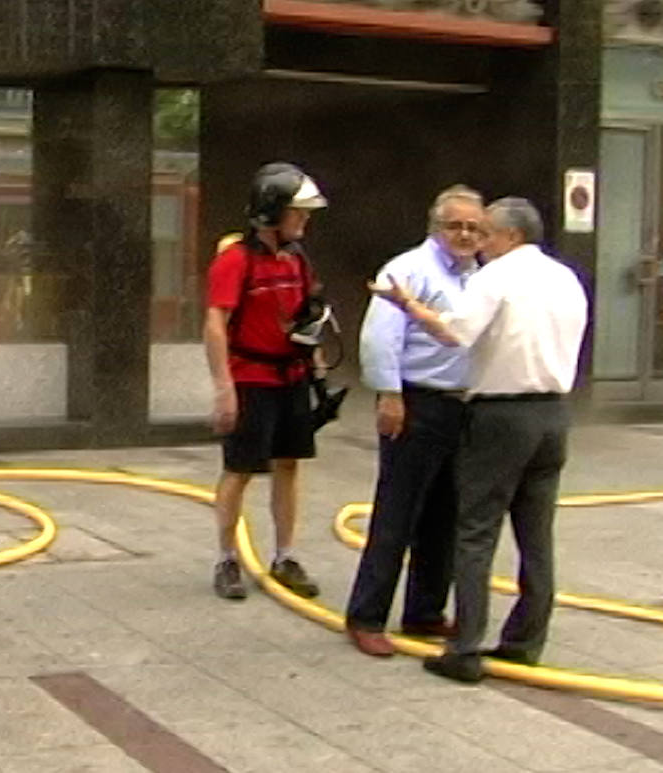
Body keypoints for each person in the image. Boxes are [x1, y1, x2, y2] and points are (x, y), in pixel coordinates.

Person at [370, 197, 588, 682]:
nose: (479, 243)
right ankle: (525, 641)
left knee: (475, 530)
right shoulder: (566, 277)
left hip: (502, 414)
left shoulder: (497, 277)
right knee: (537, 534)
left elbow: (454, 333)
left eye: (487, 233)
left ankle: (465, 649)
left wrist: (409, 307)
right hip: (554, 413)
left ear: (511, 236)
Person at [344, 185, 485, 657]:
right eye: (455, 225)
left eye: (473, 227)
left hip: (462, 408)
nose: (464, 235)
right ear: (435, 227)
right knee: (397, 515)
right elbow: (379, 338)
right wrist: (389, 395)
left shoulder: (480, 276)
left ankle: (424, 612)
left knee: (445, 516)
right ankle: (366, 616)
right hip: (416, 402)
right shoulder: (406, 270)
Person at [204, 162, 328, 600]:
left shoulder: (297, 260)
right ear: (272, 212)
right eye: (299, 212)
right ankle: (226, 559)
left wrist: (317, 370)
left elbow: (307, 316)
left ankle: (285, 556)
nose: (305, 220)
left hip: (290, 377)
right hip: (250, 378)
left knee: (288, 465)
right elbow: (215, 324)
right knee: (239, 470)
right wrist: (224, 389)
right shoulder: (235, 260)